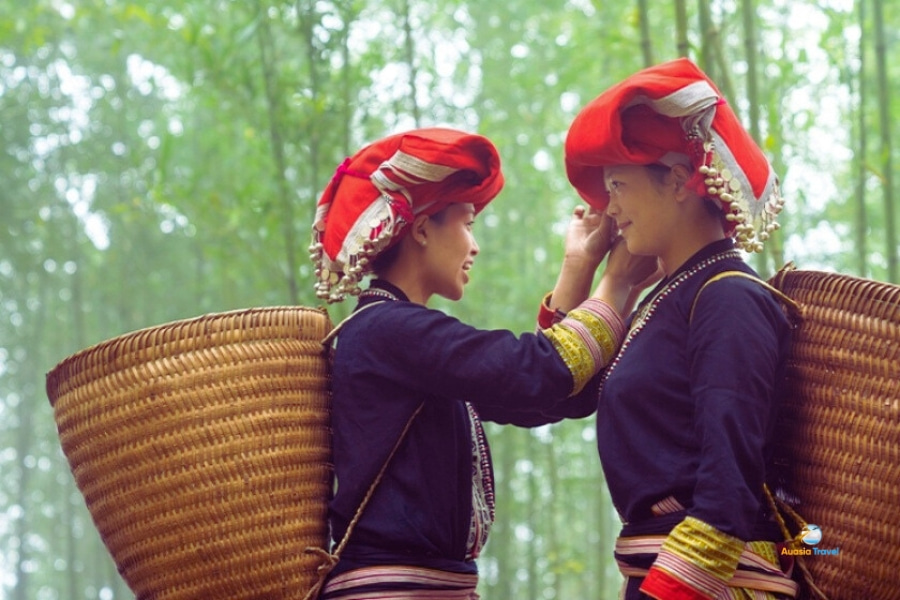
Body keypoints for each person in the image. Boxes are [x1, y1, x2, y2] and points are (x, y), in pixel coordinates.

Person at [308, 127, 657, 599]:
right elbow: (539, 373)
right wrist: (615, 286)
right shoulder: (388, 331)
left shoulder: (392, 334)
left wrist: (580, 266)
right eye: (467, 223)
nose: (474, 246)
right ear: (423, 228)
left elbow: (550, 399)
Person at [544, 58, 800, 599]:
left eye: (617, 185)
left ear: (680, 181)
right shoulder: (669, 298)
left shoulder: (728, 297)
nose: (608, 210)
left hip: (707, 580)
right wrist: (581, 269)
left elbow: (727, 491)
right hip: (667, 573)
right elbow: (563, 393)